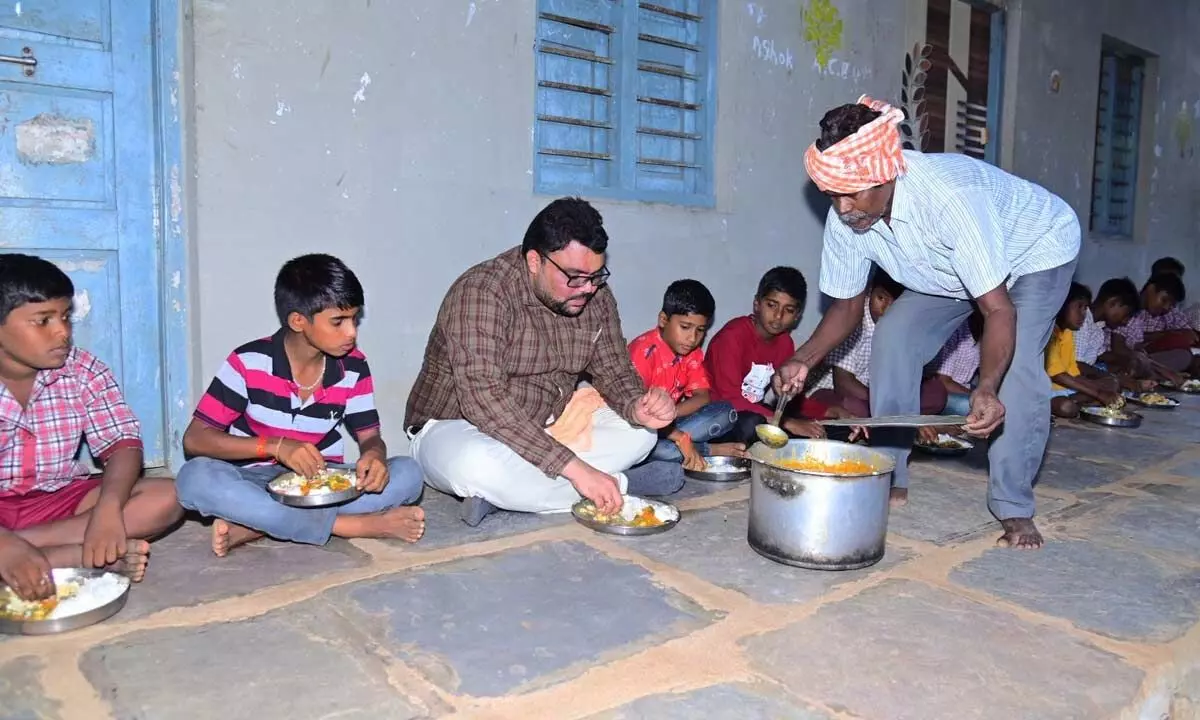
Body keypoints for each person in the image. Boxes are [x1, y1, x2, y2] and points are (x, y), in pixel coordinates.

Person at [778, 95, 1080, 550]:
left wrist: (986, 386)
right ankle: (889, 472)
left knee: (1015, 371)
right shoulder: (849, 214)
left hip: (1035, 250)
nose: (842, 209)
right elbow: (845, 308)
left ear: (885, 173)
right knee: (894, 336)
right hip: (950, 269)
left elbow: (998, 309)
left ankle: (1014, 506)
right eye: (833, 196)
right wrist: (802, 360)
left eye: (853, 194)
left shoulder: (949, 200)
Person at [405, 198, 674, 527]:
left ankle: (510, 496)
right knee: (478, 464)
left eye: (596, 276)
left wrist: (638, 406)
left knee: (642, 433)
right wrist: (576, 468)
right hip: (456, 429)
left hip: (546, 430)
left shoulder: (595, 296)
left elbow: (616, 372)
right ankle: (620, 485)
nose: (588, 289)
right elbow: (483, 399)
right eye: (574, 277)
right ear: (534, 261)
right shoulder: (482, 291)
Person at [176, 254, 426, 557]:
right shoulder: (249, 363)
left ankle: (257, 525)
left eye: (355, 319)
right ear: (298, 321)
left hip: (322, 484)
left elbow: (369, 435)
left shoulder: (354, 367)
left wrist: (374, 456)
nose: (351, 333)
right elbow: (195, 438)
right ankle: (351, 526)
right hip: (253, 479)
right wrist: (274, 446)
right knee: (194, 479)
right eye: (338, 321)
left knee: (409, 473)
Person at [0, 254, 181, 601]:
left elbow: (122, 442)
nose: (63, 332)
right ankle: (70, 556)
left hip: (56, 499)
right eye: (43, 321)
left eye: (66, 317)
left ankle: (28, 555)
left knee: (167, 497)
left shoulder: (81, 368)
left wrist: (108, 509)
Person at [626, 279, 743, 470]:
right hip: (638, 428)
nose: (692, 338)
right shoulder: (642, 352)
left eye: (700, 330)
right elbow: (638, 414)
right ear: (663, 320)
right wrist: (679, 437)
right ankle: (709, 450)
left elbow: (702, 396)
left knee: (726, 413)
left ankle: (685, 448)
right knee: (662, 450)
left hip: (668, 423)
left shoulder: (692, 352)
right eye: (685, 327)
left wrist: (669, 415)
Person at [705, 267, 830, 444]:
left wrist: (830, 412)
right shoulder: (731, 338)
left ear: (797, 316)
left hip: (751, 411)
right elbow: (730, 399)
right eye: (772, 305)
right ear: (757, 304)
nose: (778, 316)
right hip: (715, 416)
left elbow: (789, 396)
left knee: (817, 429)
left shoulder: (785, 342)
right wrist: (786, 422)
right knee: (754, 424)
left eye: (789, 310)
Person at [808, 268, 946, 417]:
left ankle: (896, 419)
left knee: (936, 393)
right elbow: (843, 383)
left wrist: (897, 402)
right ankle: (897, 420)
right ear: (870, 291)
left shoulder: (901, 325)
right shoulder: (853, 322)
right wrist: (887, 405)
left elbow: (901, 378)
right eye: (880, 298)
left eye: (895, 306)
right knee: (855, 408)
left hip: (873, 395)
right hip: (833, 393)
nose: (885, 310)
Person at [1045, 283, 1123, 418]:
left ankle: (1078, 401)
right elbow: (1058, 375)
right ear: (1062, 305)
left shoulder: (1067, 332)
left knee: (1113, 384)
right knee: (1066, 407)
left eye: (1086, 308)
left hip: (1067, 390)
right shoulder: (1049, 333)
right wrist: (1098, 393)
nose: (1083, 314)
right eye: (1079, 307)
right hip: (1048, 390)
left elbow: (1074, 373)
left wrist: (1100, 389)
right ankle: (1075, 403)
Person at [933, 310, 983, 417]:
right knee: (970, 407)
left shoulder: (985, 334)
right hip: (941, 392)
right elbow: (943, 382)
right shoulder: (956, 331)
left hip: (963, 387)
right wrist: (976, 397)